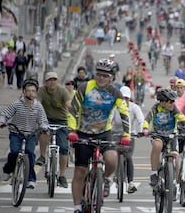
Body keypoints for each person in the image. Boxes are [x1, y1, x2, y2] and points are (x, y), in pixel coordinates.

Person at [67, 59, 131, 213]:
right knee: (80, 172)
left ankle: (106, 179)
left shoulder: (115, 92)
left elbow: (124, 113)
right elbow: (73, 110)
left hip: (104, 133)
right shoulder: (85, 87)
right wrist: (72, 131)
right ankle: (77, 206)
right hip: (83, 133)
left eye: (106, 75)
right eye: (99, 74)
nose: (102, 78)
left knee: (111, 159)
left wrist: (126, 134)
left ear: (112, 78)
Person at [0, 79, 49, 189]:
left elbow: (43, 120)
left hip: (31, 134)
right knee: (14, 152)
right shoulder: (16, 104)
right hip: (16, 133)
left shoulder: (38, 106)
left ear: (36, 93)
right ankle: (7, 170)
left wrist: (44, 127)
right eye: (28, 91)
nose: (31, 93)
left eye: (33, 91)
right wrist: (1, 121)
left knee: (30, 153)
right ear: (24, 92)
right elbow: (5, 114)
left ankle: (31, 179)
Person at [142, 89, 185, 196]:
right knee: (157, 145)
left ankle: (174, 182)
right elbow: (147, 119)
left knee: (175, 157)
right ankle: (154, 173)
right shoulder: (155, 108)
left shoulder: (173, 109)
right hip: (158, 134)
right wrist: (145, 128)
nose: (173, 103)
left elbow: (181, 118)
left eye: (173, 101)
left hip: (171, 136)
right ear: (162, 102)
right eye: (170, 101)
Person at [36, 71, 71, 188]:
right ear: (46, 82)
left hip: (61, 121)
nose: (52, 82)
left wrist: (75, 110)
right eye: (50, 80)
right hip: (46, 119)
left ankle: (62, 176)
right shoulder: (41, 91)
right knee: (43, 132)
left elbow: (69, 103)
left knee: (64, 148)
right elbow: (37, 103)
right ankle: (42, 156)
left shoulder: (62, 91)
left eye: (54, 80)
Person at [113, 86, 144, 194]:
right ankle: (115, 176)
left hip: (130, 135)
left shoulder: (134, 107)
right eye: (122, 98)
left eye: (126, 98)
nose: (124, 100)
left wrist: (142, 130)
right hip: (115, 134)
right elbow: (109, 120)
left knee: (128, 157)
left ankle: (131, 182)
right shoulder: (114, 107)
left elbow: (141, 120)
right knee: (113, 156)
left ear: (129, 98)